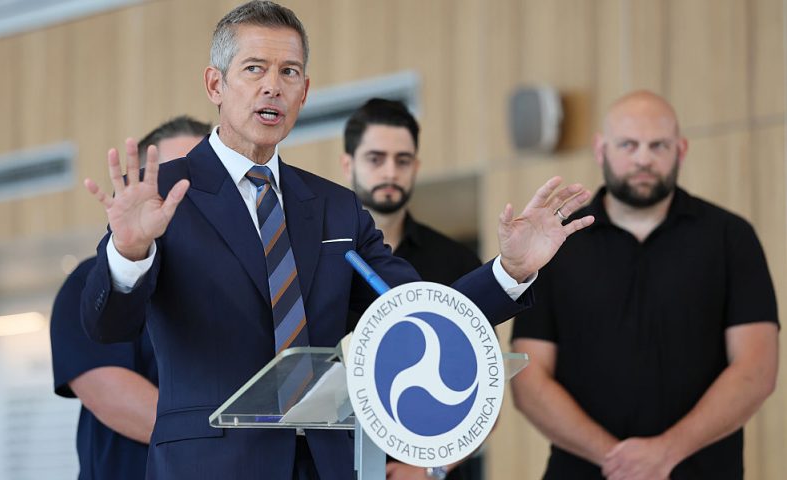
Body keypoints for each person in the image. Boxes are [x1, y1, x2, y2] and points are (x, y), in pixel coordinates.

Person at [80, 2, 593, 478]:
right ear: (215, 84)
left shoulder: (334, 206)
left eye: (290, 72)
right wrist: (127, 253)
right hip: (208, 463)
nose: (273, 87)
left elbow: (414, 309)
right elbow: (107, 325)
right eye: (254, 69)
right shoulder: (164, 194)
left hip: (326, 464)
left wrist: (510, 269)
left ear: (305, 92)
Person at [509, 90, 779, 480]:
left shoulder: (730, 237)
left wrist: (665, 453)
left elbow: (756, 369)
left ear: (681, 149)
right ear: (600, 149)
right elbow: (530, 380)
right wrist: (618, 461)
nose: (643, 159)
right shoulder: (558, 244)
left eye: (658, 145)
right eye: (628, 145)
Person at [50, 115, 211, 479]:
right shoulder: (92, 281)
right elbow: (109, 393)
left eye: (202, 179)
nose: (184, 194)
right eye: (172, 180)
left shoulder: (240, 283)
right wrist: (227, 440)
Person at [341, 98, 481, 480]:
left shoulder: (457, 262)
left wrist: (430, 468)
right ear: (348, 164)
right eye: (375, 158)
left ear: (416, 167)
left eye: (403, 160)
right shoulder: (320, 259)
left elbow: (483, 391)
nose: (390, 171)